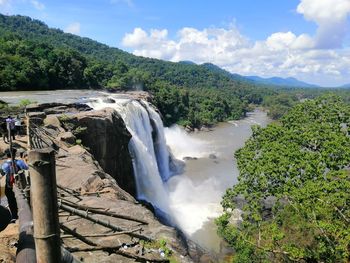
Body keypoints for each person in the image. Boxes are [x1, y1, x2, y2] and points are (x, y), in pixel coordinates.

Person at [0, 148, 28, 221]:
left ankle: (14, 216)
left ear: (7, 155)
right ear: (15, 154)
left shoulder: (5, 165)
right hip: (20, 184)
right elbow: (26, 167)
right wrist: (24, 160)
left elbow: (1, 175)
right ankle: (25, 214)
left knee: (11, 200)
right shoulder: (19, 162)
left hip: (9, 185)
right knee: (22, 198)